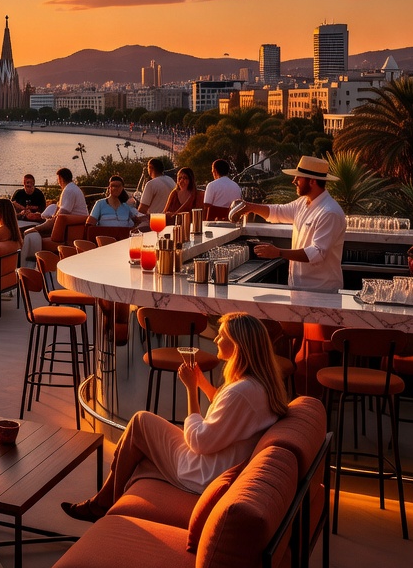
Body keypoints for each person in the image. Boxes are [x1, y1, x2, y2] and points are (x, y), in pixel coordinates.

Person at [61, 312, 288, 521]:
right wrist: (202, 383)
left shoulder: (241, 392)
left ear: (238, 345)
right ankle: (106, 503)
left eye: (222, 336)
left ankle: (104, 506)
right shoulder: (257, 385)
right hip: (217, 460)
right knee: (138, 432)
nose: (216, 340)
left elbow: (199, 441)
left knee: (139, 425)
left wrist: (190, 390)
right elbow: (228, 415)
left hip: (204, 472)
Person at [235, 155, 345, 292]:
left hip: (321, 291)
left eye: (298, 177)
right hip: (299, 287)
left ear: (312, 181)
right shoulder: (303, 203)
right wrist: (250, 207)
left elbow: (317, 253)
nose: (294, 181)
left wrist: (278, 252)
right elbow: (277, 212)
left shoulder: (329, 212)